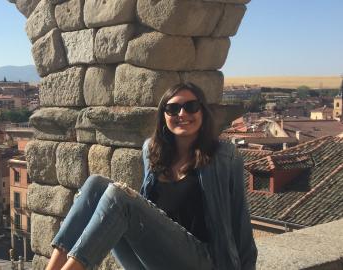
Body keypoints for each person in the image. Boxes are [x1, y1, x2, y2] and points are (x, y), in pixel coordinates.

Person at [45, 83, 257, 270]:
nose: (182, 114)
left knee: (120, 197)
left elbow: (240, 220)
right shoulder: (152, 151)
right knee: (95, 185)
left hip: (204, 261)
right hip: (157, 259)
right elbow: (149, 214)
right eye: (173, 108)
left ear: (203, 112)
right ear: (163, 117)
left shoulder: (223, 156)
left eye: (191, 106)